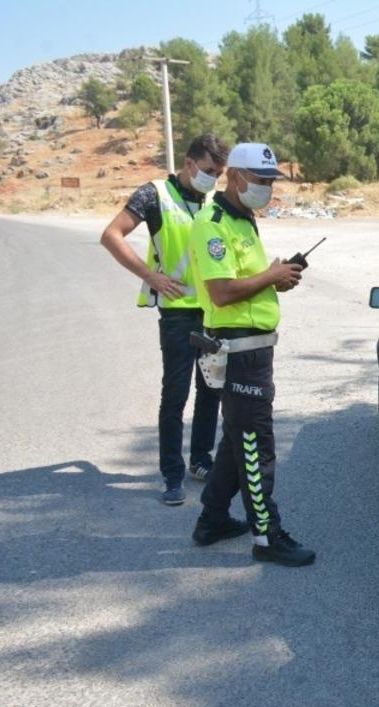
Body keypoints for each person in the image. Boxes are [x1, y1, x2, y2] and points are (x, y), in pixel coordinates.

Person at [187, 142, 315, 566]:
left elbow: (246, 282)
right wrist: (269, 276)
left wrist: (274, 280)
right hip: (238, 352)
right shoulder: (212, 223)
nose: (267, 188)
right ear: (236, 177)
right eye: (261, 180)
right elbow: (221, 292)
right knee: (255, 443)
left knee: (237, 438)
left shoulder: (243, 219)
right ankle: (267, 536)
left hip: (254, 350)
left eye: (271, 181)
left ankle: (212, 520)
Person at [100, 134, 229, 506]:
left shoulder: (213, 200)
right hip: (177, 313)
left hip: (214, 310)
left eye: (218, 174)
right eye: (208, 170)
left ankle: (200, 461)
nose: (212, 179)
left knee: (211, 389)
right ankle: (172, 475)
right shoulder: (154, 194)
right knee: (175, 394)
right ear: (188, 163)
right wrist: (150, 276)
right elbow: (111, 235)